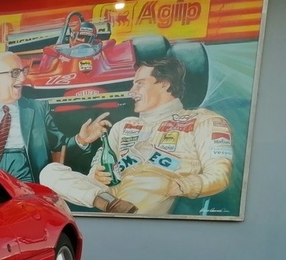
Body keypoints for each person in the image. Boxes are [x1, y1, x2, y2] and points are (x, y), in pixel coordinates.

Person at [39, 56, 233, 215]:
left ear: (164, 84)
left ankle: (120, 215)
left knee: (151, 180)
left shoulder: (205, 120)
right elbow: (95, 176)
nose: (131, 92)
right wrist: (99, 175)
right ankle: (111, 205)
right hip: (114, 194)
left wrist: (179, 186)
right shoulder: (123, 126)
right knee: (50, 172)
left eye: (139, 84)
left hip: (159, 190)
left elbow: (219, 175)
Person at [0, 51, 108, 183]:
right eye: (15, 73)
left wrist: (82, 140)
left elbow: (59, 148)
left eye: (23, 71)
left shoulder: (38, 110)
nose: (22, 78)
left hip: (26, 183)